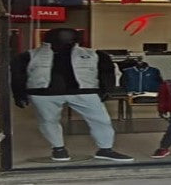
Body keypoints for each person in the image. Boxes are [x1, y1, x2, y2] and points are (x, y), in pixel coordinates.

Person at [10, 27, 134, 162]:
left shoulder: (95, 54)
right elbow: (18, 76)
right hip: (43, 92)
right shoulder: (28, 56)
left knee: (101, 120)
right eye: (61, 36)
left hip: (84, 91)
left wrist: (107, 89)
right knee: (48, 121)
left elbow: (107, 72)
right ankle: (58, 149)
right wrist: (19, 94)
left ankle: (105, 149)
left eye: (68, 37)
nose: (65, 40)